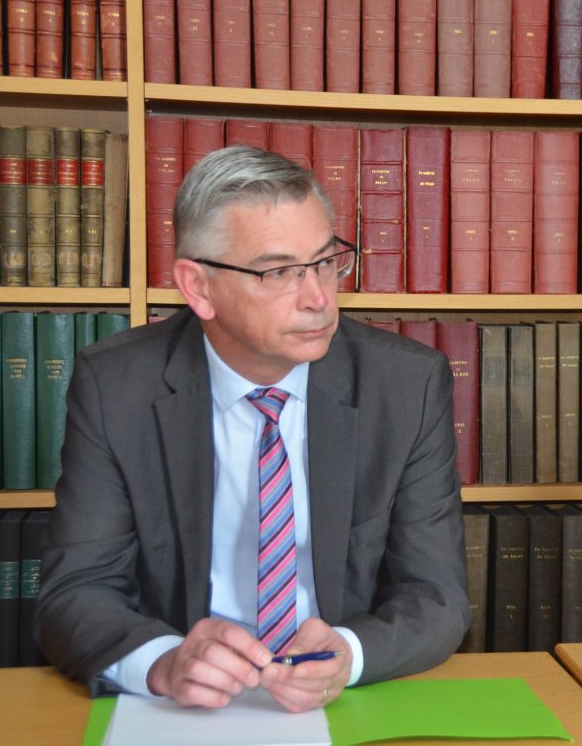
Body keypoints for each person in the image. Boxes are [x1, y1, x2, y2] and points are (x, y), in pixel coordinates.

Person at [36, 146, 469, 711]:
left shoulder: (406, 385)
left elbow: (437, 597)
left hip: (337, 704)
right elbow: (75, 592)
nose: (318, 298)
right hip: (188, 712)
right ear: (198, 287)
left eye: (324, 262)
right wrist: (163, 662)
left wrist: (351, 652)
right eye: (279, 272)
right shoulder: (117, 387)